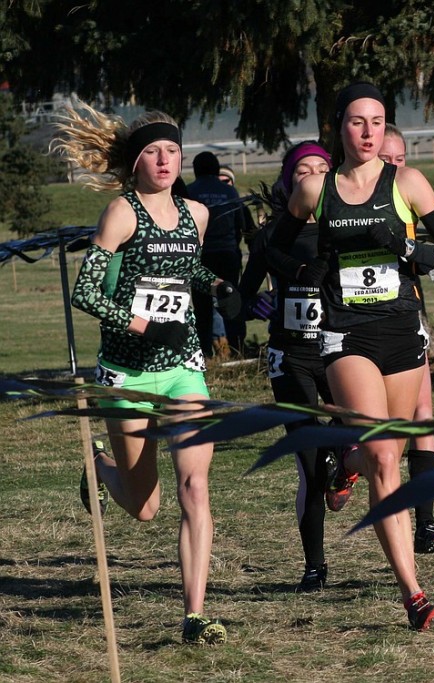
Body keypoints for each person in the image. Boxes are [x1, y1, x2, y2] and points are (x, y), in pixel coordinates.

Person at [269, 82, 434, 630]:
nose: (368, 132)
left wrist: (405, 245)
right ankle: (413, 594)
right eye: (357, 122)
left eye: (377, 122)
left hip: (401, 333)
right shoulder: (316, 189)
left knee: (388, 454)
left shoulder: (408, 181)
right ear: (339, 127)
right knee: (384, 457)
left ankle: (340, 462)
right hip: (345, 336)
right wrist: (302, 273)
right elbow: (273, 247)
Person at [53, 103, 242, 644]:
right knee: (144, 506)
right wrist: (140, 325)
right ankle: (101, 469)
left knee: (195, 487)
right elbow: (85, 291)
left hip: (182, 367)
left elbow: (188, 270)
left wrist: (219, 287)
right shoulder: (122, 212)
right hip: (126, 372)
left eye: (172, 151)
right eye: (153, 152)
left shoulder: (196, 215)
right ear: (135, 163)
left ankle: (195, 614)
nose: (164, 160)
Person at [235, 141, 337, 591]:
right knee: (311, 468)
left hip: (344, 352)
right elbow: (242, 294)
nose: (312, 177)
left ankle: (345, 462)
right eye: (302, 171)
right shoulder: (272, 234)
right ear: (287, 180)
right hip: (290, 357)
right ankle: (314, 566)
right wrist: (243, 302)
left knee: (358, 450)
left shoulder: (347, 225)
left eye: (321, 168)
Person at [351, 122, 434, 554]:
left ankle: (426, 523)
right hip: (360, 322)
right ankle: (345, 462)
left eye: (400, 159)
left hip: (408, 310)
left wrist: (425, 257)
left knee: (422, 415)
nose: (393, 166)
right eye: (386, 159)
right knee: (385, 438)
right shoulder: (354, 200)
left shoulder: (409, 194)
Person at [187, 151, 252, 358]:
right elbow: (240, 224)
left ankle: (205, 352)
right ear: (216, 169)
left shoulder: (189, 192)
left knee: (202, 308)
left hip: (202, 257)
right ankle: (237, 349)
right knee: (231, 302)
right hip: (227, 254)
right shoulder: (230, 193)